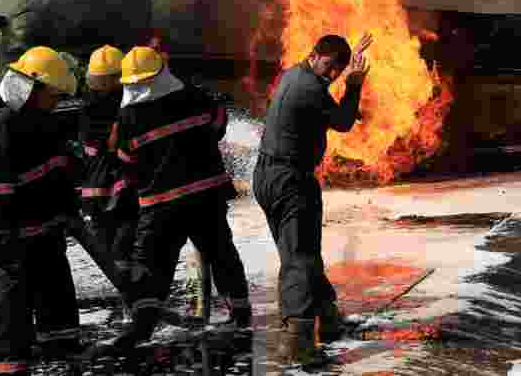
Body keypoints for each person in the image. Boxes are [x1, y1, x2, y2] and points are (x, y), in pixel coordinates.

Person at [109, 46, 251, 350]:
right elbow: (218, 126)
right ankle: (240, 316)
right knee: (221, 254)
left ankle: (142, 327)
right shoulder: (194, 96)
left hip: (160, 206)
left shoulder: (128, 117)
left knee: (151, 265)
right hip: (205, 196)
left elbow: (126, 161)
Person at [252, 32, 373, 365]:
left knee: (303, 251)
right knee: (299, 258)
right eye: (332, 67)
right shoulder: (308, 88)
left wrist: (346, 74)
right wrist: (354, 85)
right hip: (290, 180)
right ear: (318, 55)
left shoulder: (296, 74)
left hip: (269, 175)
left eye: (339, 69)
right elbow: (344, 122)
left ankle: (329, 320)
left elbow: (324, 103)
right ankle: (297, 342)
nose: (334, 74)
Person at [0, 46, 82, 374]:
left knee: (63, 336)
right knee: (10, 349)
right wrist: (8, 259)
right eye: (53, 94)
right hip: (15, 256)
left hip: (49, 249)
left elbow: (59, 176)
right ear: (31, 88)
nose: (56, 101)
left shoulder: (49, 127)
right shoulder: (2, 132)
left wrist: (67, 209)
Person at [79, 46, 138, 284]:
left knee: (111, 251)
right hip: (120, 188)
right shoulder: (124, 105)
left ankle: (127, 296)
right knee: (126, 246)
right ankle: (133, 297)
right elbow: (117, 145)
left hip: (94, 191)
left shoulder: (86, 108)